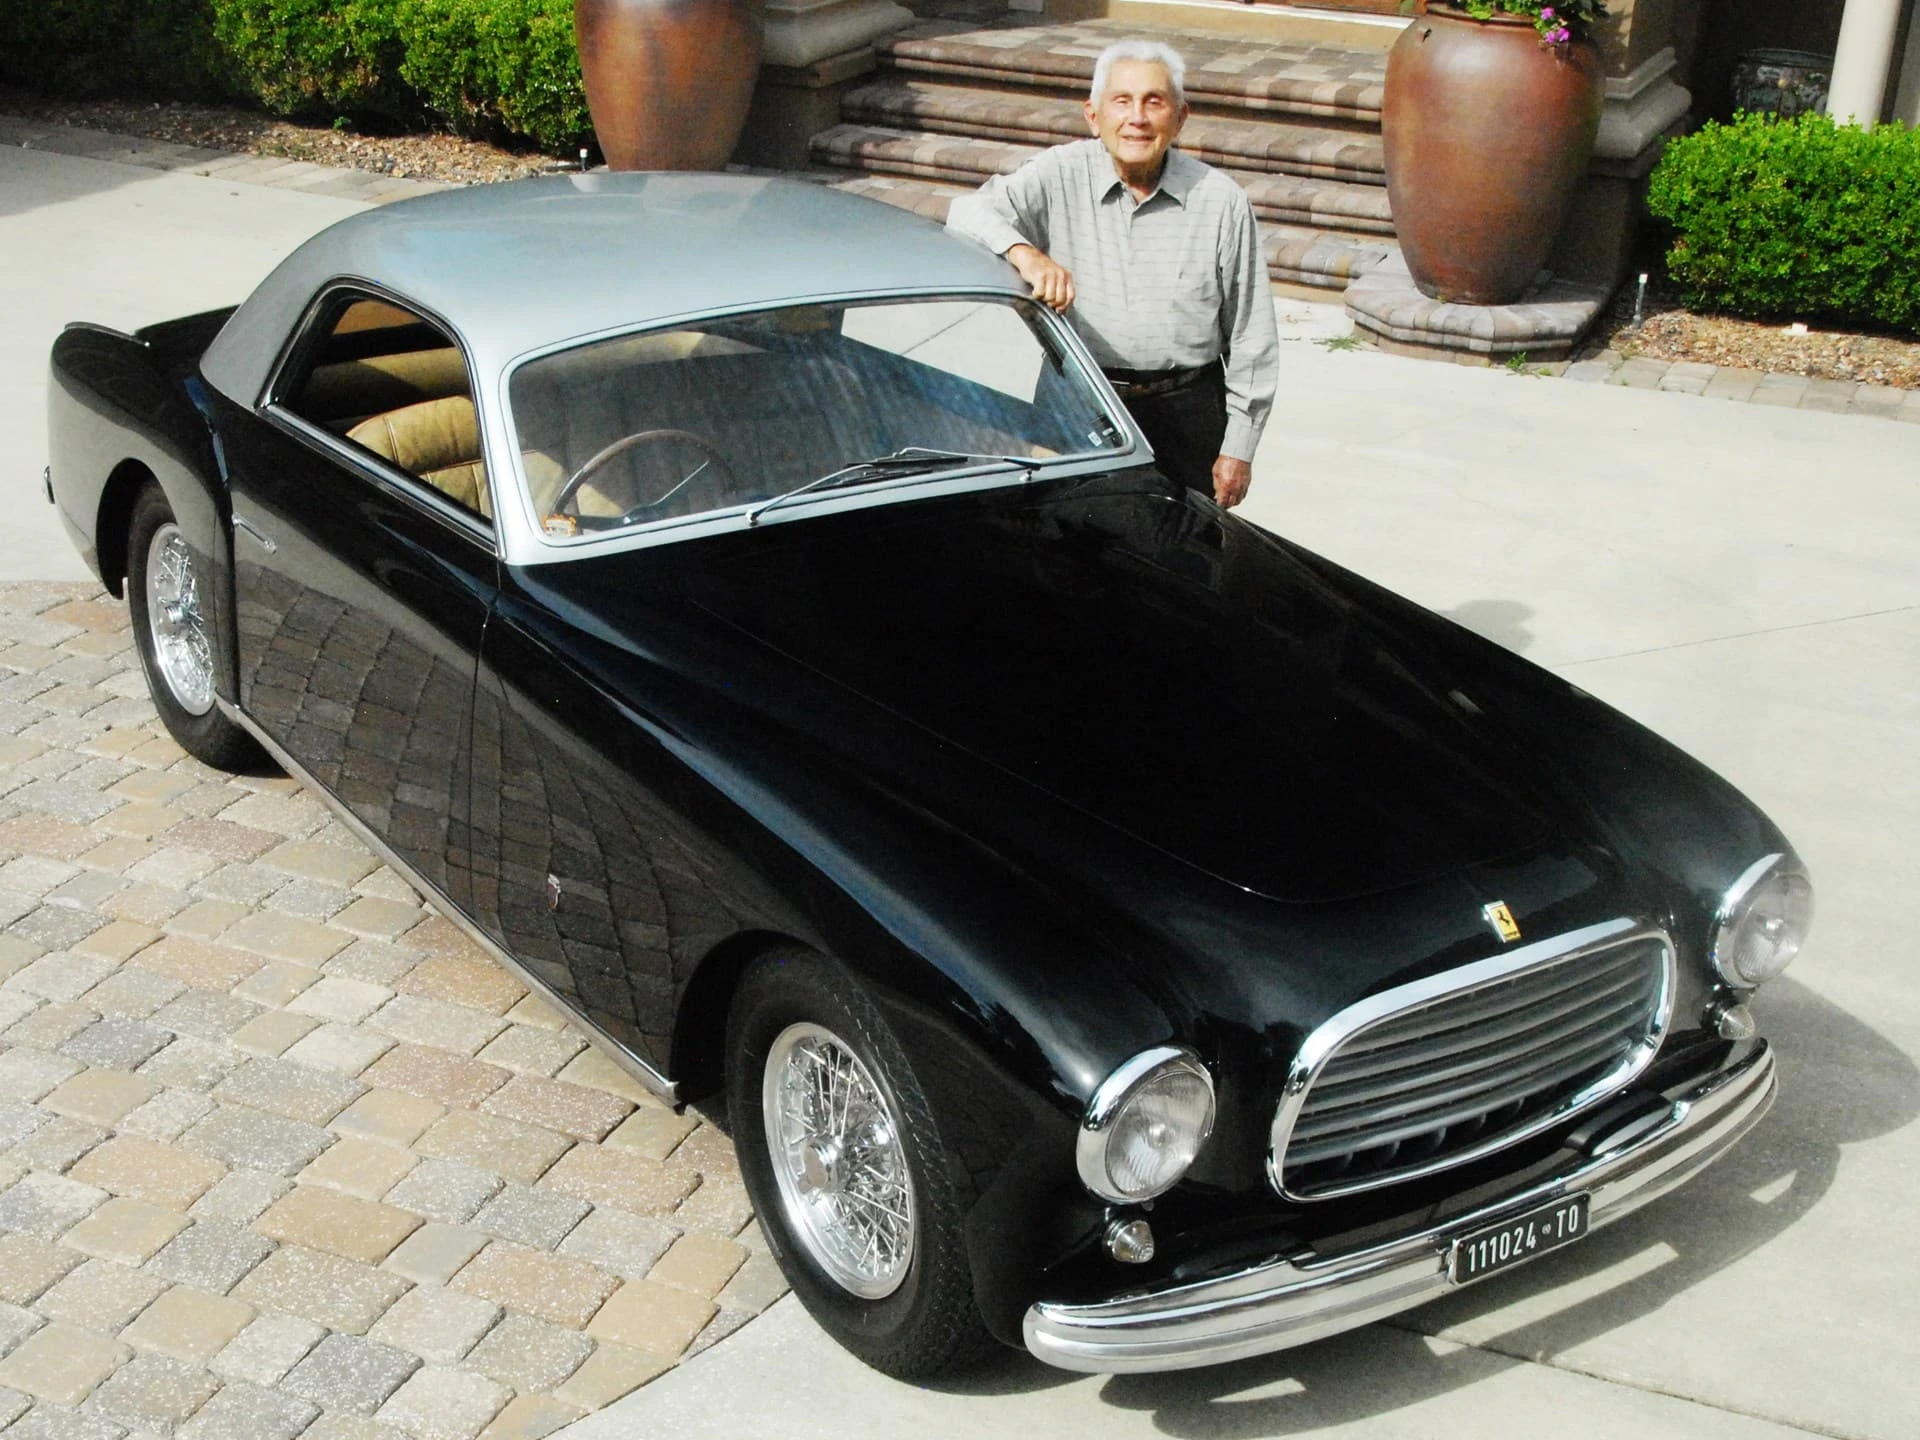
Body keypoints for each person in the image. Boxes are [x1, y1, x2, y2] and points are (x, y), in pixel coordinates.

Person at [945, 39, 1279, 508]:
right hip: (1079, 398)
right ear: (1093, 115)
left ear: (1181, 117)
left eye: (1154, 102)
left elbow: (1251, 336)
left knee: (1185, 542)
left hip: (1186, 409)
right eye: (1122, 101)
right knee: (1069, 535)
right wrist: (1026, 253)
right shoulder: (1059, 172)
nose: (1137, 118)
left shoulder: (1221, 201)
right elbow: (966, 211)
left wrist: (1239, 448)